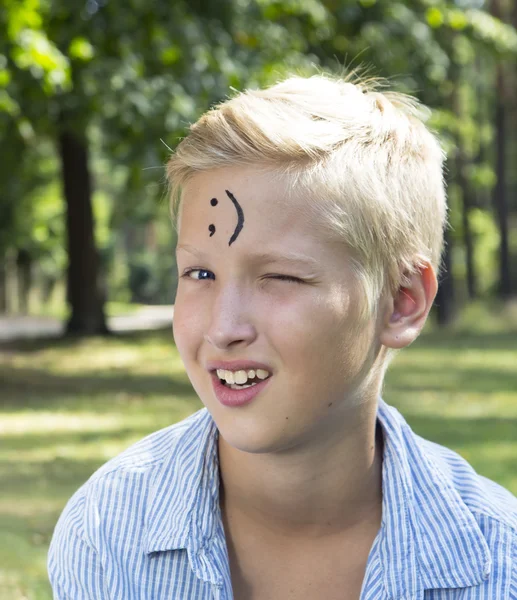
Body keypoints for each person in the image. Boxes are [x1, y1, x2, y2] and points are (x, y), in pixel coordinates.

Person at [48, 73, 517, 599]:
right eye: (200, 275)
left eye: (281, 278)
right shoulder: (108, 537)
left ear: (402, 300)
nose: (224, 329)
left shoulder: (500, 563)